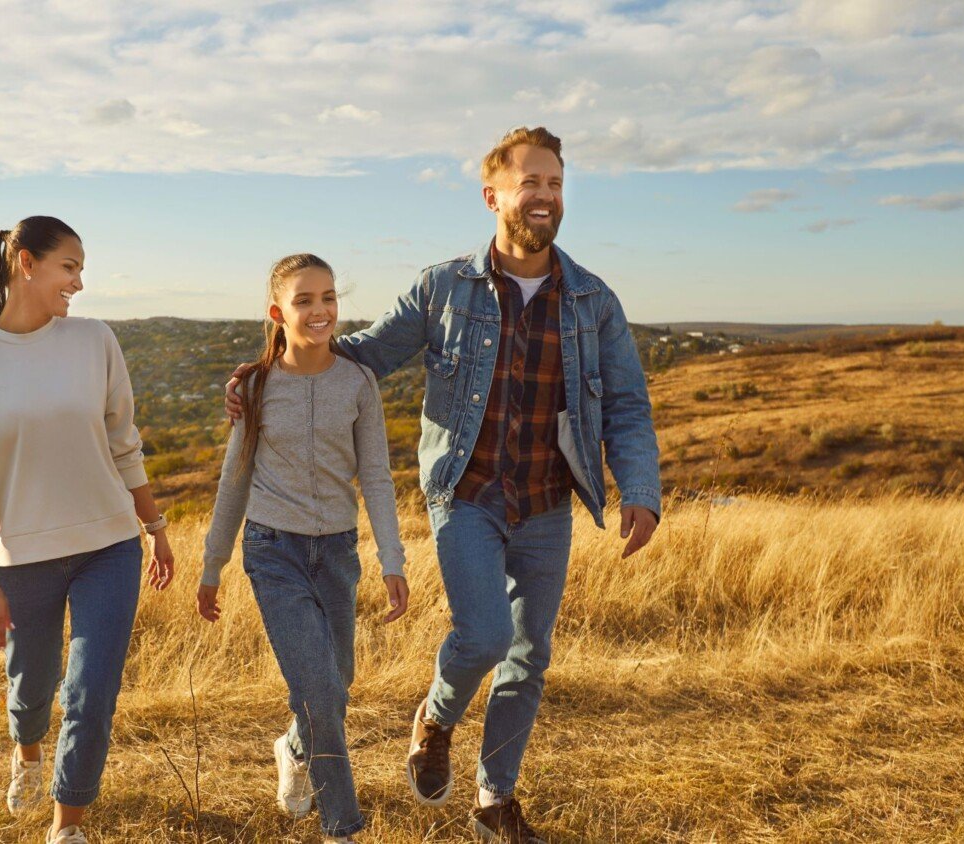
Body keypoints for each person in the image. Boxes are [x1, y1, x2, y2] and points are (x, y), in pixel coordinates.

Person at [226, 128, 661, 843]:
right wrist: (269, 369)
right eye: (531, 183)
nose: (546, 196)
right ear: (493, 196)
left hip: (549, 501)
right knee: (487, 634)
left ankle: (495, 800)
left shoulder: (592, 300)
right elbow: (361, 358)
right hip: (467, 491)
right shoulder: (444, 288)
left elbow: (626, 404)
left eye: (555, 183)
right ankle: (435, 717)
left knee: (529, 656)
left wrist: (639, 486)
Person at [0, 216, 175, 844]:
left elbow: (124, 443)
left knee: (93, 692)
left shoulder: (94, 340)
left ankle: (68, 825)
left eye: (82, 269)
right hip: (22, 557)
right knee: (31, 685)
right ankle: (27, 751)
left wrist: (154, 526)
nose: (80, 282)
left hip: (109, 547)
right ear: (26, 263)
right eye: (71, 266)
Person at [199, 253, 411, 843]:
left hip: (337, 552)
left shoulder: (358, 382)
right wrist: (212, 565)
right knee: (318, 690)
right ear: (277, 313)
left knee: (336, 684)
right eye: (304, 301)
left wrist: (392, 559)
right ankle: (342, 828)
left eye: (328, 298)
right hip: (272, 551)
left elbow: (376, 475)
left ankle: (294, 746)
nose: (320, 311)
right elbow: (233, 479)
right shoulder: (255, 386)